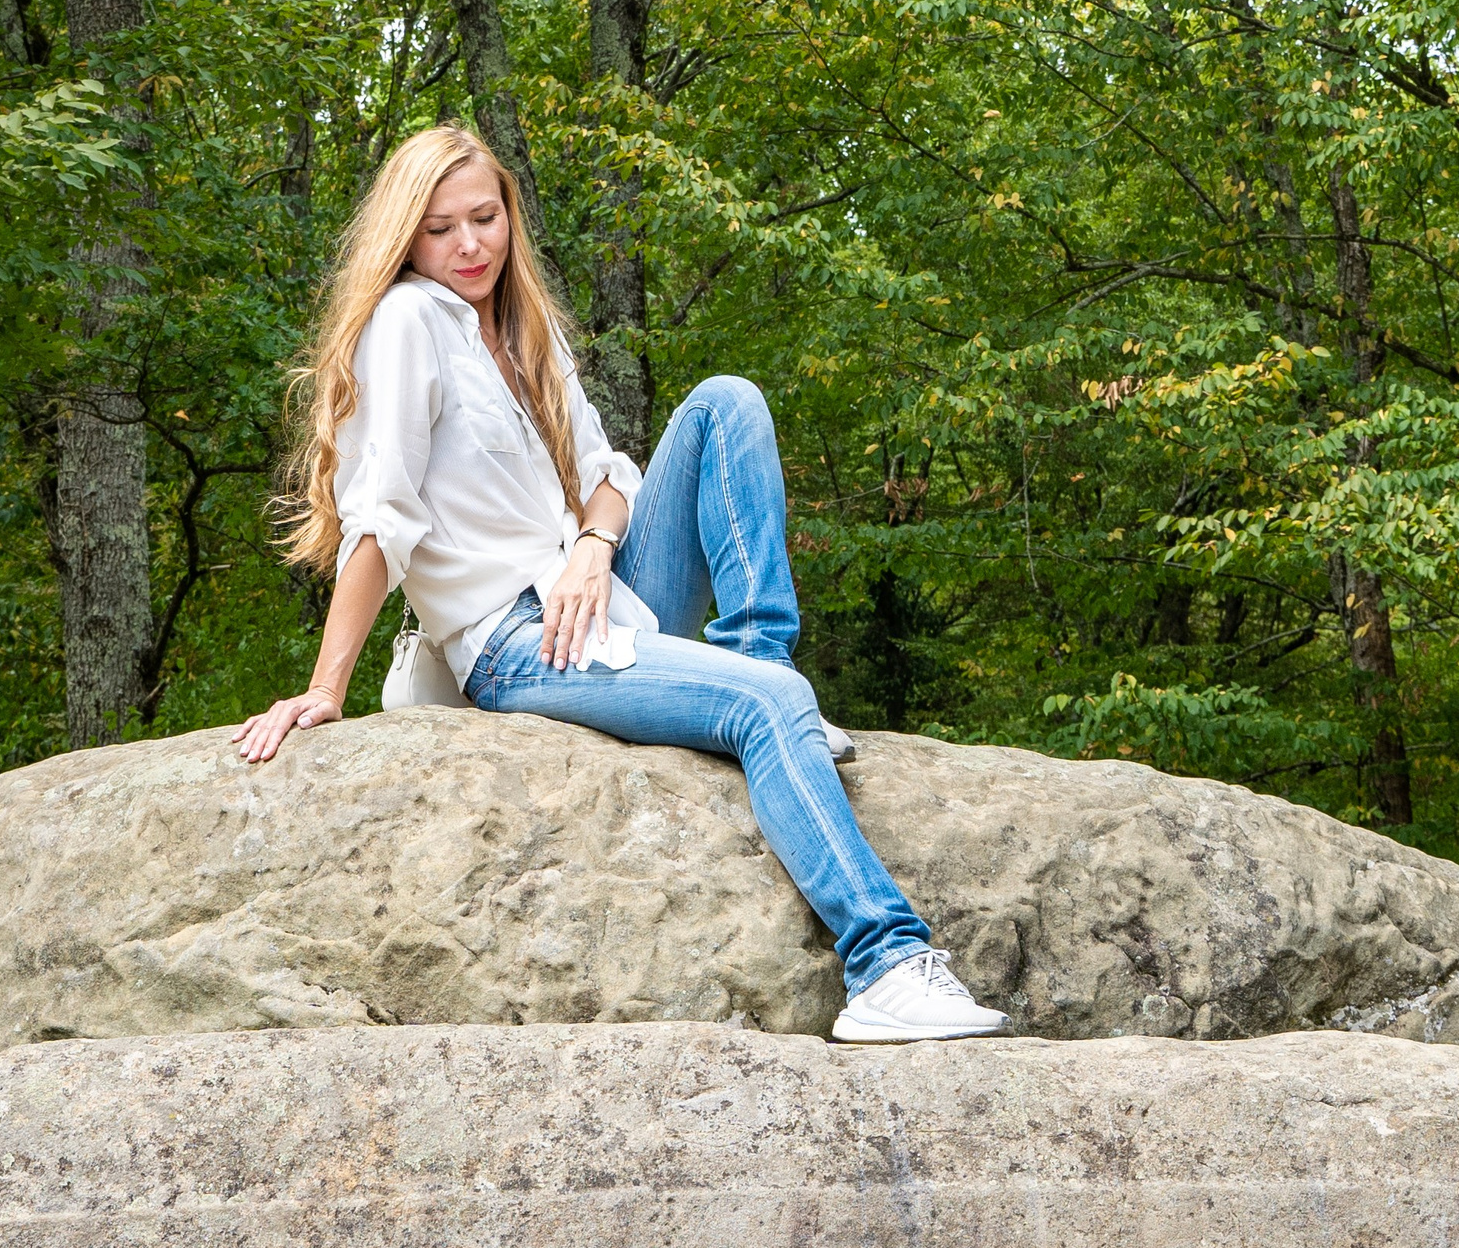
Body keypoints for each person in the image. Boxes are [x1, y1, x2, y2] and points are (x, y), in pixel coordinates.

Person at [232, 125, 1007, 1044]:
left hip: (601, 592)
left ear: (510, 213)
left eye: (485, 218)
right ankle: (885, 964)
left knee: (727, 402)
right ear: (406, 238)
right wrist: (326, 688)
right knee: (766, 708)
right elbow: (383, 515)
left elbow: (609, 472)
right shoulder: (408, 324)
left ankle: (760, 665)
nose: (470, 246)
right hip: (517, 641)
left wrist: (596, 544)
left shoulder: (522, 327)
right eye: (441, 230)